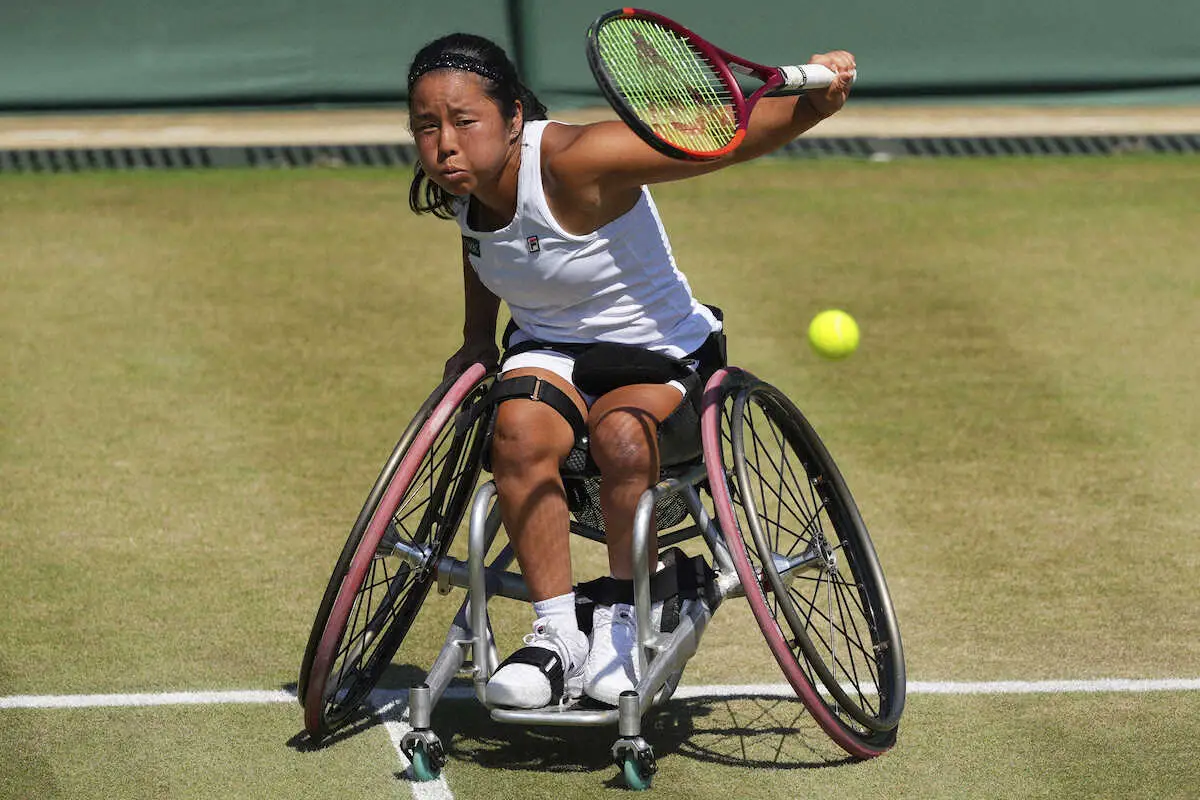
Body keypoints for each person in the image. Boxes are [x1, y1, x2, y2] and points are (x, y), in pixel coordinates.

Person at [406, 33, 855, 709]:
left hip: (660, 351)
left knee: (621, 433)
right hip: (550, 351)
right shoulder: (466, 185)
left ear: (513, 118)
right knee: (515, 433)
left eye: (464, 122)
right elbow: (486, 249)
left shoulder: (576, 160)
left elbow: (717, 141)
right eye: (426, 126)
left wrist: (814, 106)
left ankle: (621, 624)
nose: (444, 144)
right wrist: (476, 338)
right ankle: (558, 636)